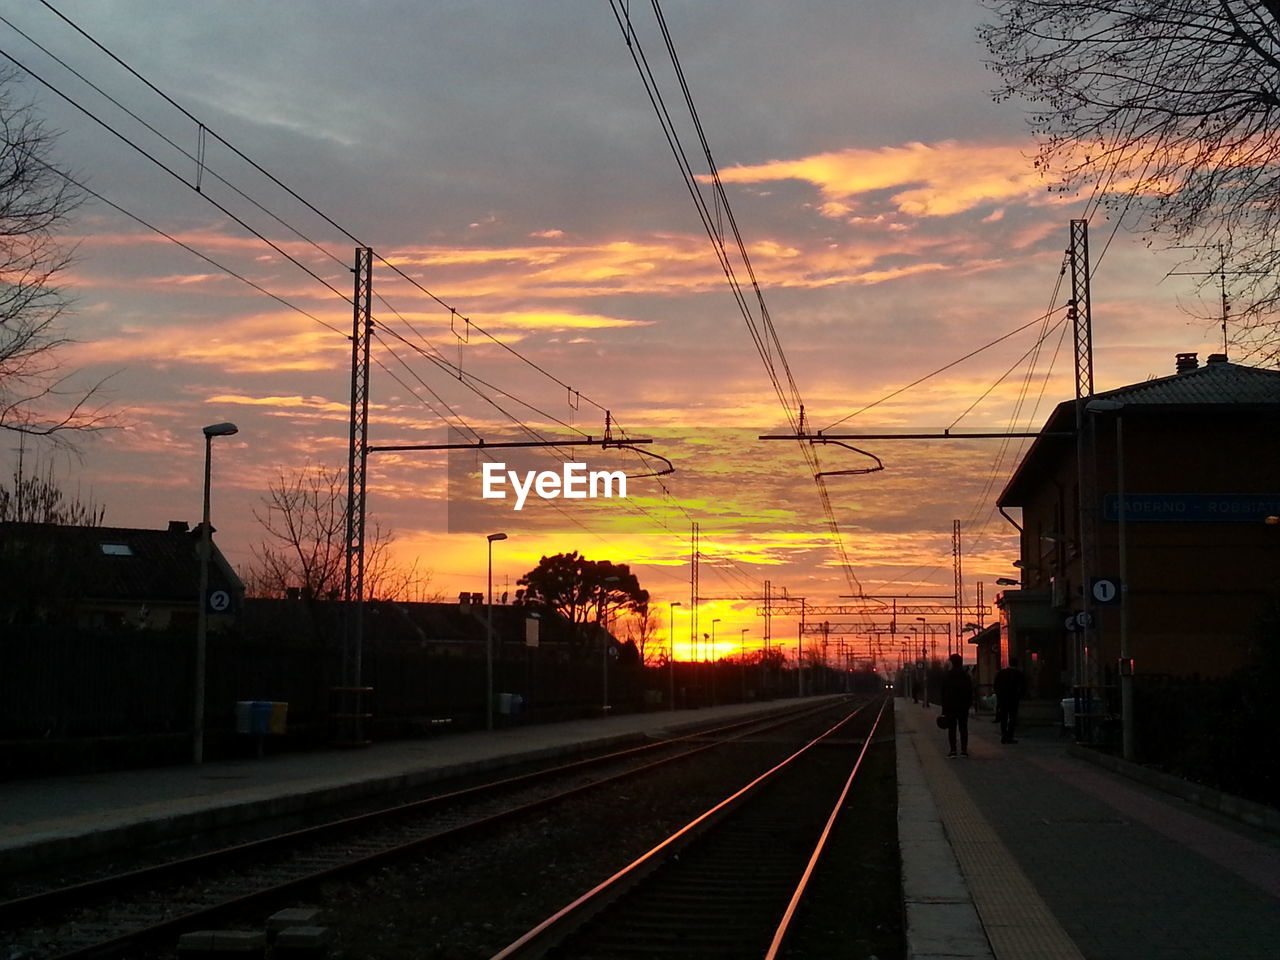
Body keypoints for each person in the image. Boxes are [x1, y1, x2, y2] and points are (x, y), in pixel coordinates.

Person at [939, 652, 973, 757]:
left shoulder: (947, 676)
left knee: (952, 728)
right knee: (963, 728)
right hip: (963, 706)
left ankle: (953, 750)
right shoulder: (966, 676)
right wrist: (969, 704)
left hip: (950, 706)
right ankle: (964, 750)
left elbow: (943, 692)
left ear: (952, 663)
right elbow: (970, 691)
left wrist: (944, 707)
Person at [993, 656, 1025, 744]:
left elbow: (996, 684)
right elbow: (1022, 686)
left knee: (1003, 717)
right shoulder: (1018, 674)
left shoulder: (1002, 673)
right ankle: (1010, 736)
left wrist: (998, 694)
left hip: (1003, 699)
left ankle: (1004, 736)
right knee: (1012, 718)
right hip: (1013, 699)